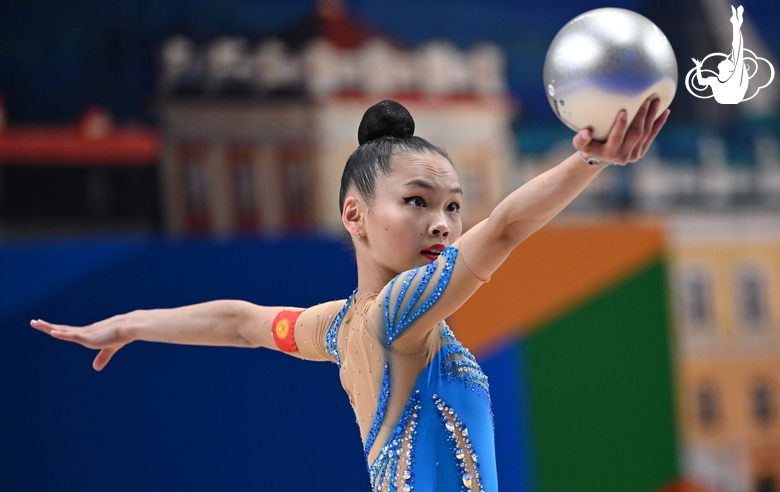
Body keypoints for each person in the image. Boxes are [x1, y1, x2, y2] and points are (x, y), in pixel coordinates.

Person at [31, 98, 668, 491]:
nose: (443, 224)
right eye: (416, 202)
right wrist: (591, 160)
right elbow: (503, 228)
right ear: (354, 215)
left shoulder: (338, 328)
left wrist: (131, 324)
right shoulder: (398, 314)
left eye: (452, 205)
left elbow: (243, 323)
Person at [692, 5, 749, 104]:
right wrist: (698, 67)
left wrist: (736, 25)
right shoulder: (715, 80)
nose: (725, 59)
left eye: (727, 61)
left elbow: (737, 48)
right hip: (727, 101)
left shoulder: (734, 79)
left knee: (737, 51)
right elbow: (701, 82)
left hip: (733, 99)